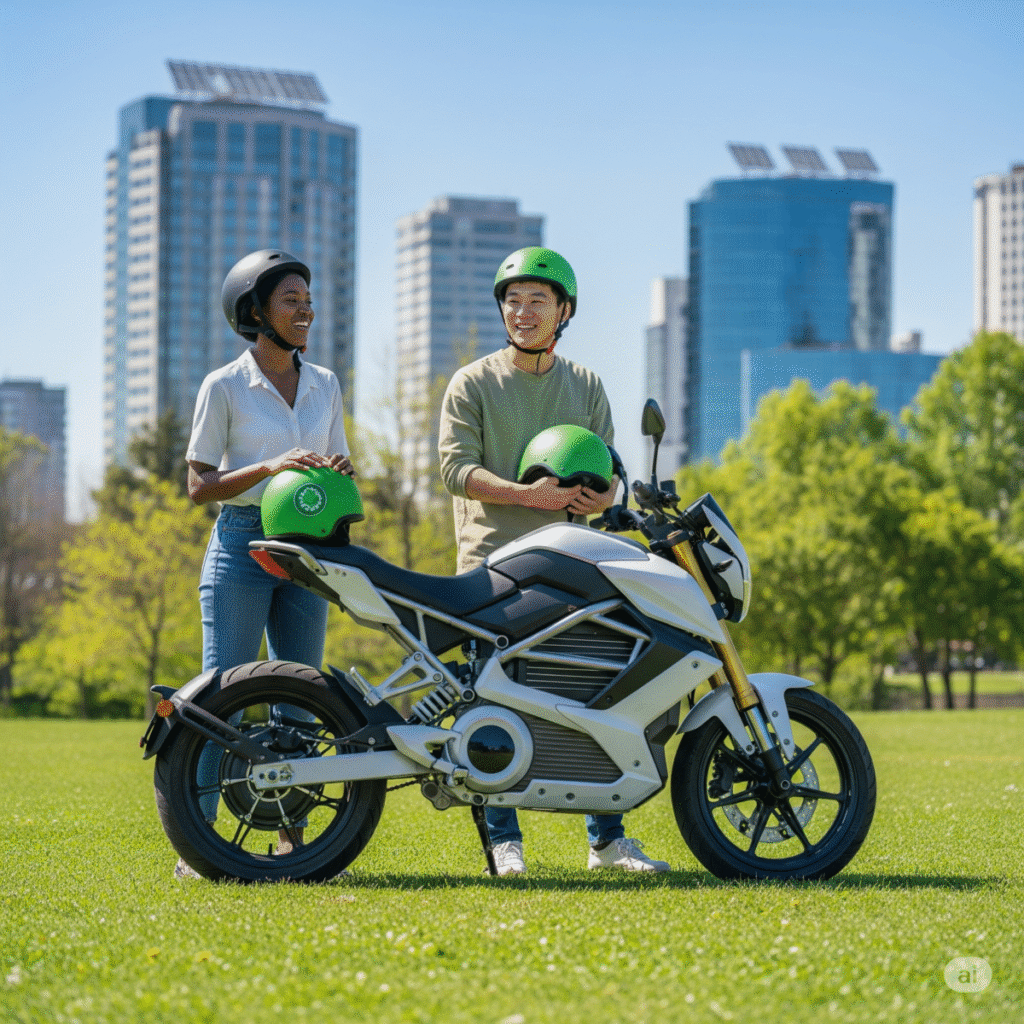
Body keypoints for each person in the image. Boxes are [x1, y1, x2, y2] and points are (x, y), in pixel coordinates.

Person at [438, 247, 670, 876]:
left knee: (592, 687)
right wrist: (527, 496)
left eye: (537, 300)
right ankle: (504, 840)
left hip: (570, 558)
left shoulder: (585, 384)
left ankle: (607, 841)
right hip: (490, 563)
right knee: (492, 698)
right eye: (512, 300)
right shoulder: (472, 382)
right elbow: (455, 470)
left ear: (564, 311)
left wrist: (604, 497)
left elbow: (606, 473)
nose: (522, 311)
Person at [176, 249, 354, 877]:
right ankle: (199, 845)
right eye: (290, 300)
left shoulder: (325, 383)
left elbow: (338, 463)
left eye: (308, 300)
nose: (305, 310)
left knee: (301, 696)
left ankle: (294, 843)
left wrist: (337, 471)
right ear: (254, 311)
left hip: (306, 546)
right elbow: (200, 485)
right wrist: (270, 467)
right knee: (218, 697)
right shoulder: (224, 385)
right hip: (241, 544)